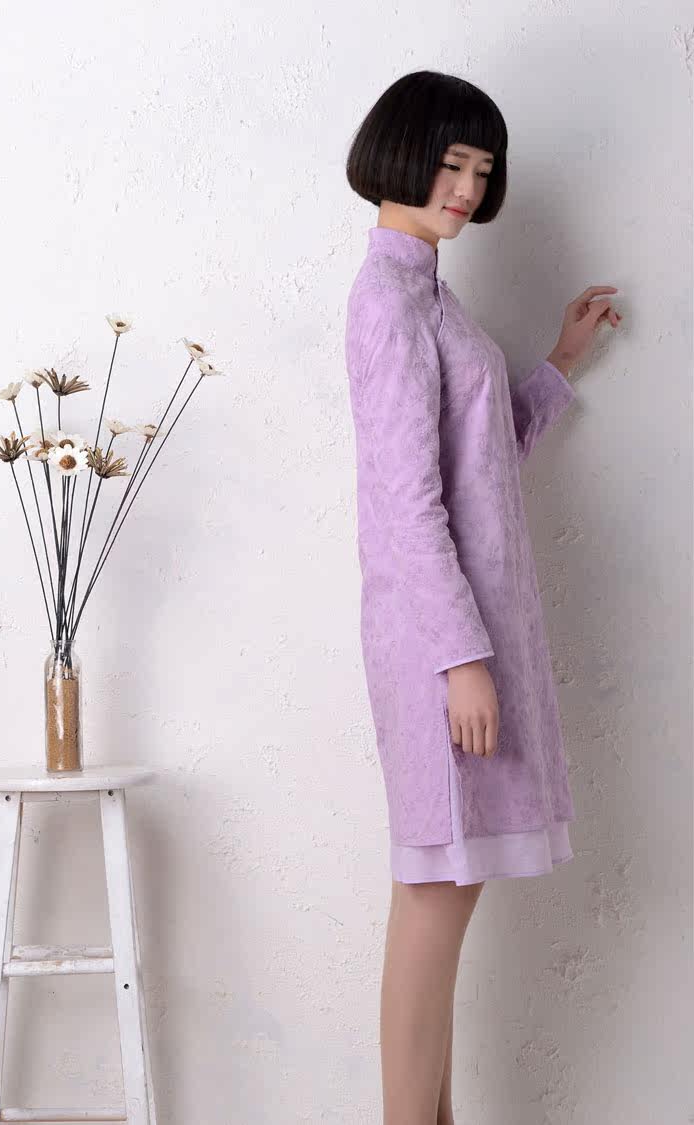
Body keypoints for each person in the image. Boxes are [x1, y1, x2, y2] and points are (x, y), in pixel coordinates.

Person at [343, 70, 622, 1125]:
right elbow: (408, 506)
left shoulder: (429, 296)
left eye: (481, 169)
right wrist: (462, 658)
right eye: (450, 164)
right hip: (438, 647)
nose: (465, 188)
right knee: (432, 897)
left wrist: (557, 362)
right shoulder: (387, 303)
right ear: (401, 157)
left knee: (443, 893)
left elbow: (480, 459)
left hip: (463, 638)